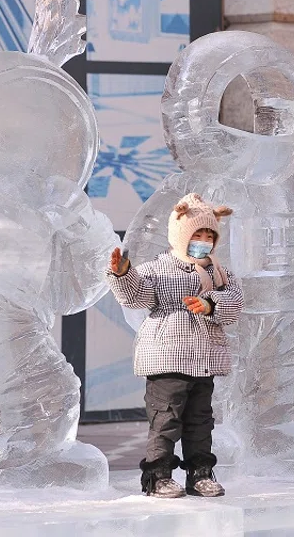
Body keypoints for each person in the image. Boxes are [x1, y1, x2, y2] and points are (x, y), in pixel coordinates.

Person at [107, 193, 243, 498]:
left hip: (203, 359)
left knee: (200, 421)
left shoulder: (219, 274)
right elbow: (136, 295)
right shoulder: (159, 268)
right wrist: (122, 274)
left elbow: (235, 304)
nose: (204, 241)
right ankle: (158, 477)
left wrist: (210, 304)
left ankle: (200, 474)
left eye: (210, 235)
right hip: (167, 357)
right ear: (181, 235)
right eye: (198, 234)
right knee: (165, 419)